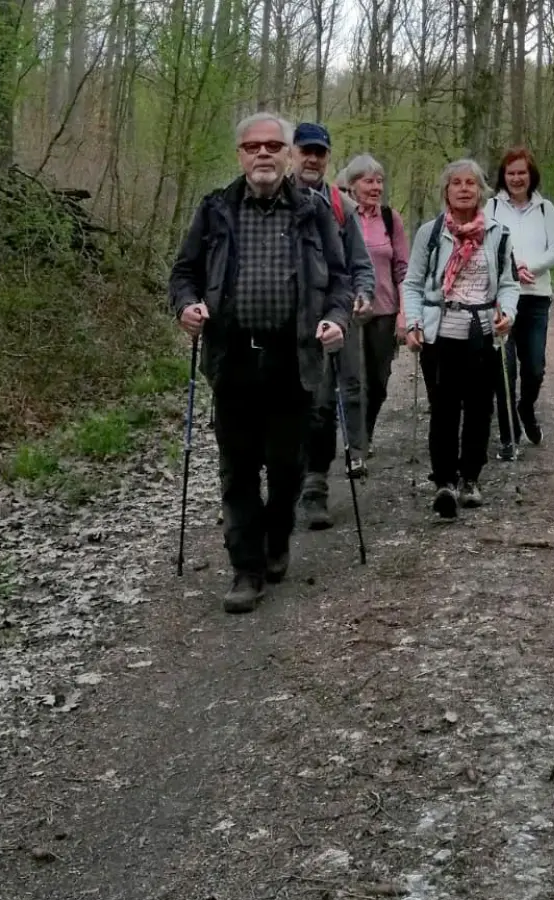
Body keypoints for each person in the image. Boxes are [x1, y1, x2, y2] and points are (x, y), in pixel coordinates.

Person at [168, 112, 351, 614]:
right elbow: (183, 273)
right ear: (241, 156)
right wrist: (186, 306)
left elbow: (340, 280)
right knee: (238, 468)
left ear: (289, 154)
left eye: (273, 145)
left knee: (288, 466)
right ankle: (246, 569)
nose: (264, 154)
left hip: (294, 358)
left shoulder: (314, 212)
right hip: (233, 358)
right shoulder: (215, 210)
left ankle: (277, 534)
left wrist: (337, 319)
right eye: (253, 147)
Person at [402, 159, 519, 518]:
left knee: (480, 409)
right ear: (446, 190)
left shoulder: (498, 234)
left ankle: (470, 478)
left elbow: (509, 284)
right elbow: (413, 283)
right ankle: (444, 482)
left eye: (471, 183)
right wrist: (413, 323)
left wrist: (507, 313)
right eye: (457, 183)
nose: (464, 189)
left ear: (481, 191)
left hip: (483, 332)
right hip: (440, 333)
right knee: (444, 408)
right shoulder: (430, 233)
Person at [290, 122, 378, 530]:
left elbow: (360, 262)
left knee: (322, 405)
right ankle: (282, 480)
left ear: (328, 158)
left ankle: (315, 486)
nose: (312, 159)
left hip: (327, 318)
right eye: (305, 151)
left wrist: (363, 292)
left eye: (319, 153)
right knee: (281, 407)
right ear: (292, 153)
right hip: (278, 321)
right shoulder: (273, 198)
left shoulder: (341, 206)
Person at [484, 146, 554, 457]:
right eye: (511, 173)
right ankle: (510, 436)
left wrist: (528, 267)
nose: (516, 178)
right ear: (503, 176)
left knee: (534, 367)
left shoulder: (546, 209)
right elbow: (483, 244)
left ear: (531, 176)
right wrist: (511, 267)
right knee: (504, 370)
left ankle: (526, 408)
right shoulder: (491, 207)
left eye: (522, 173)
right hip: (500, 299)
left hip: (536, 298)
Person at [337, 154, 409, 453]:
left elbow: (403, 270)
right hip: (348, 310)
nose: (376, 187)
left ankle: (365, 432)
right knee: (352, 380)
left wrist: (404, 314)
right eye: (369, 181)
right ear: (353, 185)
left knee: (378, 381)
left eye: (380, 181)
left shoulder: (391, 219)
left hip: (384, 311)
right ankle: (356, 444)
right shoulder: (340, 216)